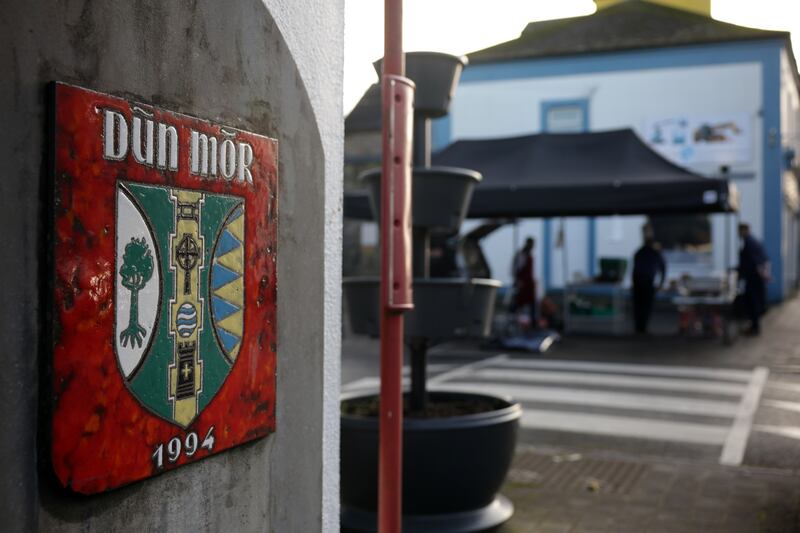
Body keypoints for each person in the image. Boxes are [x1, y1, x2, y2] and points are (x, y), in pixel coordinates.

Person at [632, 227, 666, 334]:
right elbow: (663, 268)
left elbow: (634, 270)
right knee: (645, 306)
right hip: (646, 282)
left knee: (639, 306)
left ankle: (639, 327)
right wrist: (661, 283)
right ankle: (641, 328)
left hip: (639, 282)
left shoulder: (640, 252)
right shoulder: (653, 253)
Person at [737, 223, 770, 335]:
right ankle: (754, 326)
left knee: (753, 302)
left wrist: (742, 272)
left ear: (744, 230)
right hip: (754, 277)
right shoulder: (752, 241)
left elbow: (753, 261)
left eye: (740, 231)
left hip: (753, 278)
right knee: (753, 301)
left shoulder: (749, 242)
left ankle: (755, 328)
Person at [510, 237, 537, 328]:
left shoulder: (529, 254)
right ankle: (513, 321)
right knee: (518, 303)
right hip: (522, 283)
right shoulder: (522, 255)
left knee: (531, 303)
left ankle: (532, 323)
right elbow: (515, 269)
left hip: (529, 283)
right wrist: (517, 280)